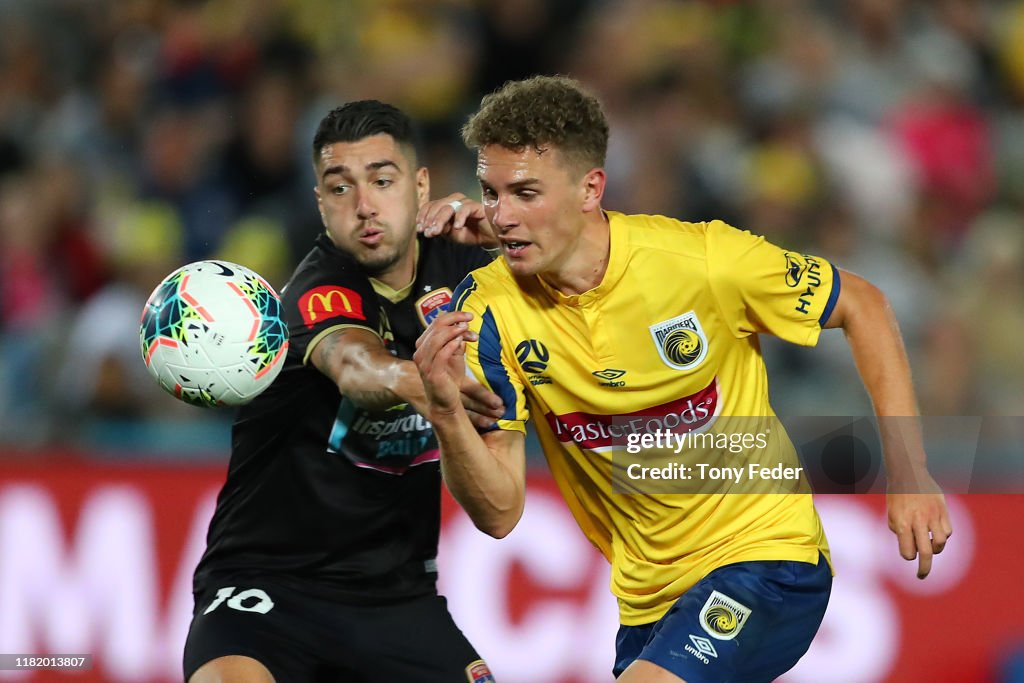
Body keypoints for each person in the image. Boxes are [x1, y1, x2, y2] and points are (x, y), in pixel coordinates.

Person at [413, 76, 952, 682]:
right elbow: (500, 512)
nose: (501, 215)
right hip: (649, 602)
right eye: (491, 192)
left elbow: (865, 306)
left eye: (526, 193)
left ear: (591, 188)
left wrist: (908, 471)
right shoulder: (485, 312)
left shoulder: (701, 263)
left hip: (764, 558)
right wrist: (445, 410)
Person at [183, 100, 503, 683]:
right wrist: (425, 382)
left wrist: (509, 235)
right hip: (267, 589)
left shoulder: (470, 265)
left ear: (421, 185)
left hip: (398, 600)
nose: (364, 206)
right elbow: (358, 367)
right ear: (321, 204)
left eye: (382, 180)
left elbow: (583, 261)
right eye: (340, 188)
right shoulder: (315, 290)